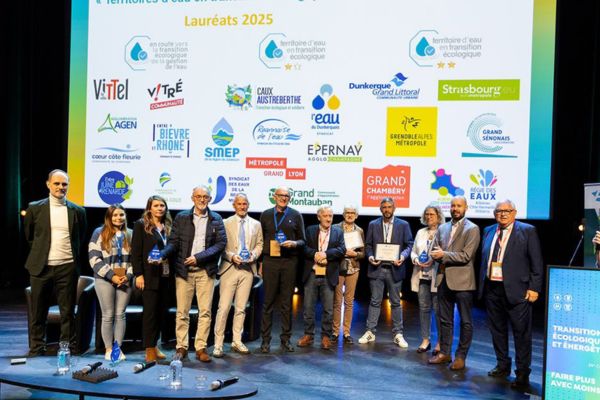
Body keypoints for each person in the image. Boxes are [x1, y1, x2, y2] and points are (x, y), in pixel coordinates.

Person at [478, 200, 542, 390]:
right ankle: (502, 365)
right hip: (492, 289)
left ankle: (522, 373)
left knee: (521, 334)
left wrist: (535, 288)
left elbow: (536, 262)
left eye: (507, 210)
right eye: (499, 211)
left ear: (514, 212)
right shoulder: (488, 230)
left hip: (518, 291)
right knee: (497, 331)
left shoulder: (528, 230)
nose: (503, 213)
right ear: (494, 213)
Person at [23, 169, 87, 356]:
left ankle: (66, 347)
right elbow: (30, 236)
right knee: (38, 311)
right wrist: (42, 253)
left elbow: (80, 238)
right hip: (41, 267)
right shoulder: (35, 208)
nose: (60, 187)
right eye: (57, 183)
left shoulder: (78, 211)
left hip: (67, 267)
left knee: (67, 312)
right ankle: (37, 347)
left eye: (64, 184)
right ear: (48, 184)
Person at [161, 185, 226, 363]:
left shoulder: (216, 219)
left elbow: (221, 244)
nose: (202, 199)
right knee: (182, 312)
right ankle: (181, 347)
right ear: (192, 198)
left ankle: (201, 347)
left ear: (210, 199)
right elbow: (173, 242)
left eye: (205, 197)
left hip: (206, 271)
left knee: (205, 312)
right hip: (184, 272)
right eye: (198, 196)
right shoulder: (182, 217)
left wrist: (198, 258)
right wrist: (162, 254)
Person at [428, 196, 480, 371]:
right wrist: (436, 254)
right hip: (443, 279)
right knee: (445, 320)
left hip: (463, 282)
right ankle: (444, 353)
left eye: (459, 206)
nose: (455, 208)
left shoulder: (472, 229)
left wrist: (443, 255)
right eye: (453, 206)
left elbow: (466, 256)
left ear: (466, 208)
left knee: (465, 322)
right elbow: (434, 250)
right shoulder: (442, 227)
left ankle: (460, 356)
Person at [213, 193, 263, 358]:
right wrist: (232, 256)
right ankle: (218, 344)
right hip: (230, 268)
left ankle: (236, 340)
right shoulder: (225, 222)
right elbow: (220, 245)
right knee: (224, 308)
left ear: (248, 205)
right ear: (234, 206)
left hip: (247, 270)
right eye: (239, 204)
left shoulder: (256, 224)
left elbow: (259, 244)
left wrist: (253, 256)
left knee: (241, 308)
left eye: (244, 204)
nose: (242, 206)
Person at [359, 197, 413, 347]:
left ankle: (398, 334)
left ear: (394, 208)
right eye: (384, 207)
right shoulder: (373, 224)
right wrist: (370, 257)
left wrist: (402, 257)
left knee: (395, 302)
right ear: (380, 209)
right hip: (377, 268)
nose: (387, 210)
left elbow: (409, 244)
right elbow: (368, 245)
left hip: (395, 268)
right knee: (375, 301)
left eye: (389, 207)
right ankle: (370, 332)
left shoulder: (403, 224)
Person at [259, 186, 306, 353]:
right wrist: (261, 263)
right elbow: (261, 240)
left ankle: (285, 339)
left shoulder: (296, 215)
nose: (283, 198)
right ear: (274, 196)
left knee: (286, 303)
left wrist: (294, 243)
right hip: (270, 261)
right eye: (280, 195)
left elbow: (303, 240)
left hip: (289, 262)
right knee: (268, 303)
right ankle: (265, 341)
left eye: (287, 196)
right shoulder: (265, 215)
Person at [89, 204, 133, 360]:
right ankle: (108, 349)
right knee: (108, 315)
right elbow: (94, 259)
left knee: (120, 314)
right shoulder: (99, 233)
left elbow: (136, 259)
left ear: (125, 216)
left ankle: (117, 349)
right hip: (104, 279)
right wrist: (112, 276)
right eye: (114, 215)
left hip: (125, 279)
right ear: (108, 217)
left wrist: (128, 275)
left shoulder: (131, 234)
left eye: (121, 215)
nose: (118, 218)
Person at [297, 205, 345, 350]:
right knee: (308, 308)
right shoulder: (310, 230)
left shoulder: (338, 232)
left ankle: (326, 336)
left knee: (328, 309)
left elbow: (342, 249)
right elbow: (304, 248)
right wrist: (315, 254)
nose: (328, 219)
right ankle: (308, 335)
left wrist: (326, 254)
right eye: (325, 216)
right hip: (312, 273)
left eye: (330, 216)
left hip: (328, 274)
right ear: (319, 217)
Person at [131, 195, 172, 363]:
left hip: (165, 276)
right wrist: (138, 274)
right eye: (156, 205)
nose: (159, 208)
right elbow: (136, 252)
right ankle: (148, 349)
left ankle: (155, 345)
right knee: (150, 314)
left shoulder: (168, 226)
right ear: (149, 208)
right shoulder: (141, 225)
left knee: (161, 313)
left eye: (162, 205)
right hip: (148, 276)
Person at [410, 205, 444, 355]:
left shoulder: (444, 231)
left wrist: (434, 260)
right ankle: (425, 340)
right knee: (424, 308)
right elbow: (413, 251)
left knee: (438, 310)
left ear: (438, 216)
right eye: (427, 214)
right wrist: (416, 259)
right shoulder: (420, 232)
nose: (429, 217)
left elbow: (446, 252)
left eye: (432, 214)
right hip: (421, 274)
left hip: (437, 275)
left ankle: (440, 342)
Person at [332, 205, 365, 345]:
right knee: (337, 301)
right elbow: (330, 247)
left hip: (353, 268)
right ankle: (335, 332)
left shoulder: (359, 230)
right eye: (347, 212)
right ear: (343, 214)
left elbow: (363, 253)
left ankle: (346, 332)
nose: (350, 215)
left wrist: (355, 254)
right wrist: (341, 252)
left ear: (356, 215)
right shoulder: (335, 228)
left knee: (349, 301)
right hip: (338, 267)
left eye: (352, 213)